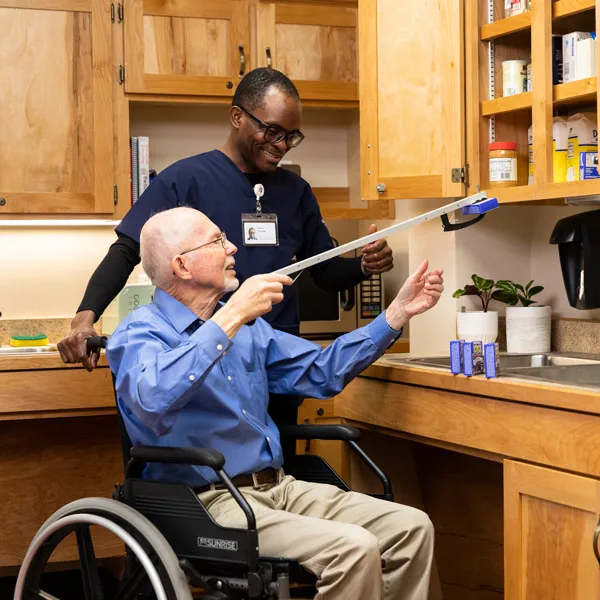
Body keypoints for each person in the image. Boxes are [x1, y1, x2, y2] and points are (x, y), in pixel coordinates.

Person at [107, 207, 444, 600]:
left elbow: (321, 372)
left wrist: (395, 315)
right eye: (217, 241)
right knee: (353, 548)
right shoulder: (138, 333)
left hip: (279, 488)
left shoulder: (251, 331)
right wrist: (231, 316)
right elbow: (151, 400)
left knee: (412, 527)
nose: (232, 247)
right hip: (207, 503)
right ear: (181, 265)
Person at [58, 67, 393, 372]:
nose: (282, 145)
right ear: (237, 117)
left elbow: (322, 271)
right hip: (207, 363)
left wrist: (363, 266)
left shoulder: (296, 191)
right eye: (272, 130)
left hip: (281, 359)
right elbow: (127, 250)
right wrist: (84, 320)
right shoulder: (186, 179)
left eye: (292, 136)